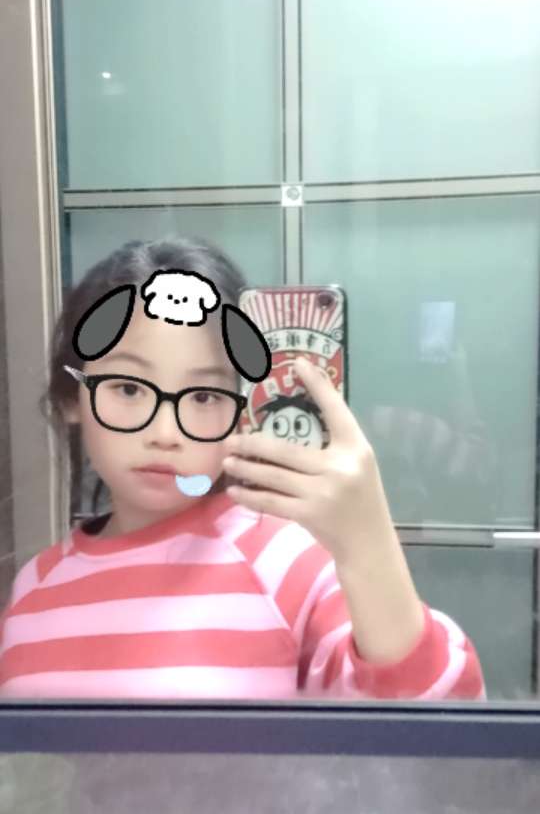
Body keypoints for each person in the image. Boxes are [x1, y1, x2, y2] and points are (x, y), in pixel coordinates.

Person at [0, 237, 486, 701]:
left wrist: (367, 542)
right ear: (72, 396)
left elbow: (440, 724)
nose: (165, 432)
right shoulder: (35, 586)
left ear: (245, 407)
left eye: (205, 396)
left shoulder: (285, 562)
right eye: (129, 388)